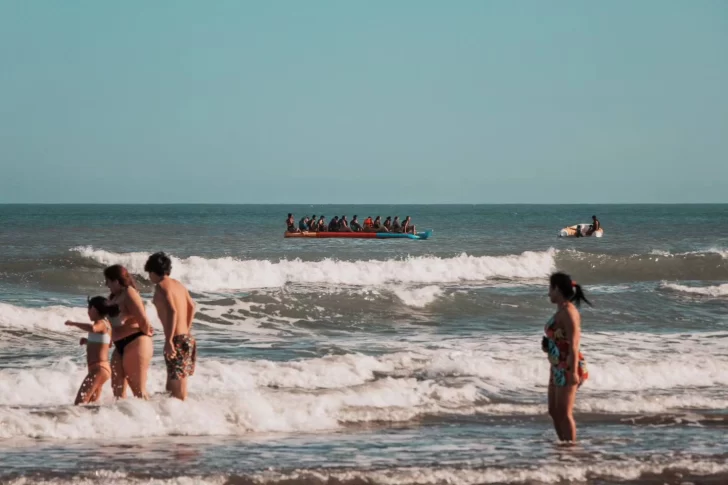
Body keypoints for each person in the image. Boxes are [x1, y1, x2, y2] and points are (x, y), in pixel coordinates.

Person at [542, 272, 590, 443]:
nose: (548, 293)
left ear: (557, 289)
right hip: (557, 365)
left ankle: (571, 448)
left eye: (550, 289)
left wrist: (573, 371)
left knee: (564, 412)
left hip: (568, 365)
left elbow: (575, 342)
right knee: (554, 411)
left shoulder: (569, 312)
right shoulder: (560, 311)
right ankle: (564, 445)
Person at [145, 252, 197, 400]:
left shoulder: (161, 286)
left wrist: (169, 340)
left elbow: (172, 311)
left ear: (154, 271)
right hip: (186, 337)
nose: (149, 277)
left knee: (179, 392)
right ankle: (171, 418)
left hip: (176, 340)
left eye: (149, 273)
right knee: (171, 388)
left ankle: (186, 419)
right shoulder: (178, 285)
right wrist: (186, 329)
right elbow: (192, 306)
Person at [105, 265, 153, 399]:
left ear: (116, 280)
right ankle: (125, 418)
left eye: (108, 281)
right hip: (119, 345)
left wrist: (146, 334)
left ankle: (153, 418)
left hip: (135, 341)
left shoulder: (129, 292)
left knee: (138, 390)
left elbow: (142, 317)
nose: (106, 284)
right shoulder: (113, 297)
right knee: (117, 389)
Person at [64, 296, 117, 405]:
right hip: (101, 369)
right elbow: (108, 344)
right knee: (91, 404)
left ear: (94, 309)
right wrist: (88, 341)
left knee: (80, 403)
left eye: (89, 309)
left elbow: (92, 328)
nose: (88, 312)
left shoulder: (101, 323)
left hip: (99, 369)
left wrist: (73, 323)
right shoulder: (107, 325)